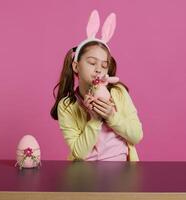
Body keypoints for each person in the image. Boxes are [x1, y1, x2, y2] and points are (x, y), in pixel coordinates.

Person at [50, 10, 143, 161]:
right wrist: (95, 119)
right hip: (84, 173)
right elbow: (79, 153)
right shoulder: (66, 105)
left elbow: (136, 136)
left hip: (121, 172)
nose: (98, 69)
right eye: (92, 63)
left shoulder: (118, 93)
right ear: (76, 66)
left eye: (104, 65)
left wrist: (111, 116)